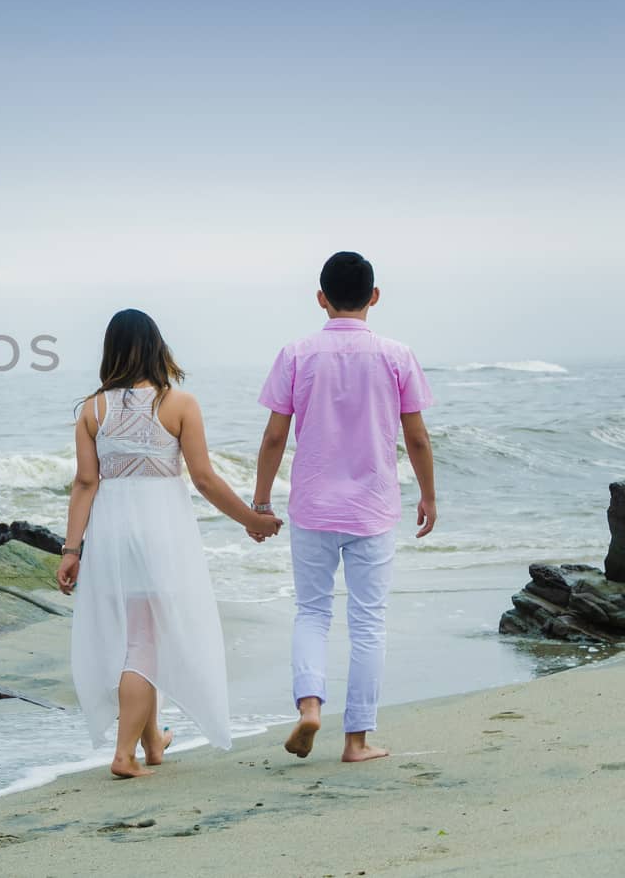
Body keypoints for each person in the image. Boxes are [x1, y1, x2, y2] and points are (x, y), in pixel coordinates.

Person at [58, 309, 282, 779]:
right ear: (158, 348)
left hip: (112, 533)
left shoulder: (92, 410)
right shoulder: (179, 403)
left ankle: (153, 742)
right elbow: (203, 478)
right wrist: (251, 519)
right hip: (161, 532)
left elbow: (84, 483)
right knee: (143, 640)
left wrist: (71, 550)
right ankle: (124, 755)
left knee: (139, 632)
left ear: (111, 351)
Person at [253, 251, 437, 763]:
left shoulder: (296, 354)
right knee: (368, 621)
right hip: (372, 509)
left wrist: (261, 500)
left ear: (321, 299)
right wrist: (427, 494)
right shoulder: (397, 355)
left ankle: (310, 706)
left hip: (312, 505)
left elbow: (273, 436)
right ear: (374, 297)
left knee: (311, 612)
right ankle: (356, 740)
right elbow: (417, 438)